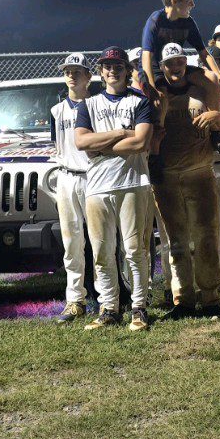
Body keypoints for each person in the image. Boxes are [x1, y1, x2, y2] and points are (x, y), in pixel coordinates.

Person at [75, 47, 155, 332]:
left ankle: (138, 307)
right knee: (101, 251)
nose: (112, 70)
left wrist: (101, 146)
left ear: (126, 69)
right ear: (100, 71)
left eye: (118, 65)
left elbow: (142, 142)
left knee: (134, 249)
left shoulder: (140, 101)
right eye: (107, 66)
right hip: (98, 185)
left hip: (133, 182)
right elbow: (82, 143)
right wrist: (122, 133)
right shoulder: (89, 104)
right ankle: (109, 307)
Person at [153, 43, 220, 318]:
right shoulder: (157, 94)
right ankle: (183, 299)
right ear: (161, 67)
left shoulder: (202, 89)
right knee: (176, 241)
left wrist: (216, 115)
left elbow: (215, 83)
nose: (174, 67)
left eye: (179, 62)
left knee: (207, 236)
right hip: (167, 175)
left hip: (200, 171)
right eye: (169, 63)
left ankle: (210, 296)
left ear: (185, 64)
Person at [50, 53, 95, 323]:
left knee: (102, 242)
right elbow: (58, 146)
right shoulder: (57, 110)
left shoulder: (97, 105)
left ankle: (107, 298)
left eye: (77, 71)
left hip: (93, 176)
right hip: (67, 177)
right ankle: (75, 300)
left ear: (88, 76)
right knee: (72, 243)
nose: (72, 75)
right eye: (68, 71)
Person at [140, 0, 220, 110]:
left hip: (178, 66)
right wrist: (151, 87)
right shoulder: (156, 20)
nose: (193, 4)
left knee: (212, 79)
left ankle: (215, 127)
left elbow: (204, 53)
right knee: (161, 98)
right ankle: (159, 128)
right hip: (156, 69)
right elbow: (146, 56)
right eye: (188, 1)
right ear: (174, 1)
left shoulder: (188, 22)